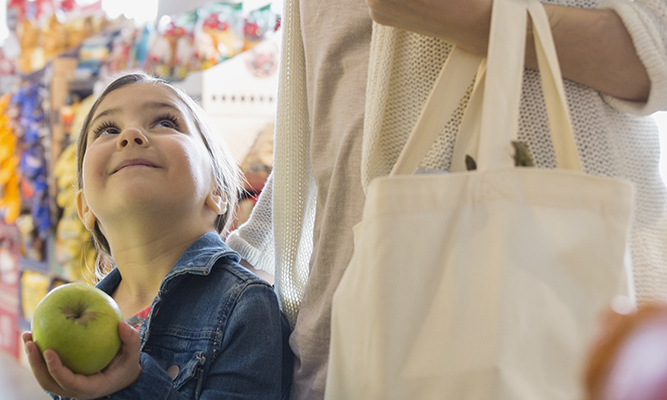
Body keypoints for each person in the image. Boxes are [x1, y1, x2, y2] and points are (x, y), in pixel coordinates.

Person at [224, 0, 667, 399]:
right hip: (349, 331)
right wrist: (247, 250)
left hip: (572, 320)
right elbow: (322, 125)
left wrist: (478, 18)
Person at [20, 72, 294, 399]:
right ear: (85, 207)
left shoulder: (246, 306)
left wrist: (135, 381)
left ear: (218, 191)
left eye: (165, 122)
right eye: (108, 130)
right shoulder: (76, 318)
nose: (131, 134)